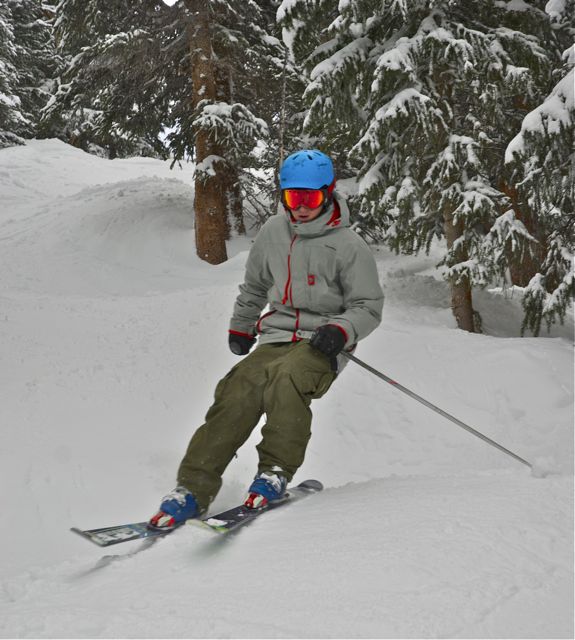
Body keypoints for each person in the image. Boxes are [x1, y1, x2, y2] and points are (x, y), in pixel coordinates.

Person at [149, 149, 384, 529]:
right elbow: (255, 286)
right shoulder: (274, 232)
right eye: (293, 198)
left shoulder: (348, 246)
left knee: (287, 379)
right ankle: (192, 489)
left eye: (309, 198)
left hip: (322, 343)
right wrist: (241, 326)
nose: (301, 207)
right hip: (275, 336)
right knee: (238, 388)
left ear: (327, 194)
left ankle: (273, 472)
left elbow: (368, 306)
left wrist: (341, 330)